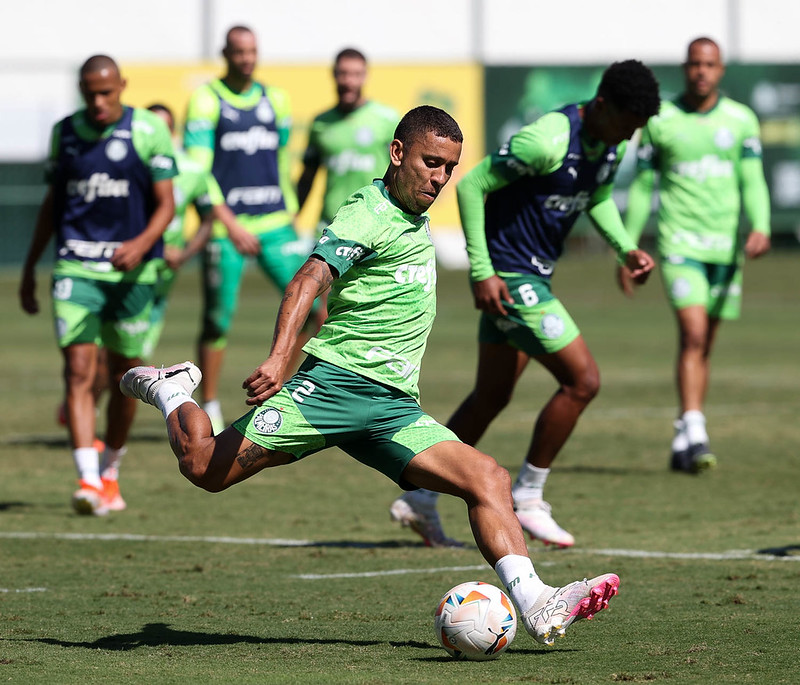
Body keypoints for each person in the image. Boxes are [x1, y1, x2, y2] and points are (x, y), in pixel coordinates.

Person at [121, 105, 621, 647]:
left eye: (450, 168)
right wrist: (278, 357)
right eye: (431, 163)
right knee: (203, 468)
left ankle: (538, 604)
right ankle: (171, 390)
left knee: (489, 480)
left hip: (393, 409)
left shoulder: (413, 216)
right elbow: (308, 279)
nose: (440, 178)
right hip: (331, 389)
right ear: (398, 153)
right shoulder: (368, 212)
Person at [391, 60, 661, 548]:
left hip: (530, 273)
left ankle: (419, 498)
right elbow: (473, 185)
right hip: (512, 276)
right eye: (626, 123)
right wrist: (483, 270)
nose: (630, 134)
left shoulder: (611, 142)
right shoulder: (548, 138)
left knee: (491, 397)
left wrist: (627, 248)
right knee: (583, 381)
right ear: (603, 105)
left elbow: (595, 196)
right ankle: (530, 496)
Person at [19, 55, 177, 515]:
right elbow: (53, 202)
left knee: (127, 377)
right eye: (90, 92)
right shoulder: (65, 133)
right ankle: (87, 480)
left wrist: (142, 242)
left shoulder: (149, 131)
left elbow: (166, 204)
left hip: (133, 273)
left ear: (122, 86)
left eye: (106, 92)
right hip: (76, 268)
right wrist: (30, 266)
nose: (98, 101)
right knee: (78, 370)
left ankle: (110, 471)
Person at [620, 37, 771, 473]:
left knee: (704, 345)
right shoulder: (660, 119)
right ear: (685, 68)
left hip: (725, 249)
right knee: (694, 334)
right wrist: (628, 246)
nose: (701, 71)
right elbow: (645, 186)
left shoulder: (741, 119)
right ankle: (697, 427)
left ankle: (685, 435)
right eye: (694, 64)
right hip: (680, 244)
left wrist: (760, 225)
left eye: (710, 64)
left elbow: (753, 179)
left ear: (721, 69)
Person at [183, 25, 309, 435]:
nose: (246, 59)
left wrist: (289, 212)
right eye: (238, 52)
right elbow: (200, 172)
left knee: (314, 309)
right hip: (227, 228)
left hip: (275, 222)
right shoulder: (207, 99)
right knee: (218, 319)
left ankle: (284, 389)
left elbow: (280, 160)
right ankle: (212, 402)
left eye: (252, 51)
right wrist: (230, 224)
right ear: (225, 53)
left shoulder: (277, 99)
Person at [296, 47, 399, 323]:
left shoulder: (386, 120)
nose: (348, 81)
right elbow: (307, 177)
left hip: (374, 224)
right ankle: (300, 366)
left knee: (365, 306)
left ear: (364, 76)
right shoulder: (321, 124)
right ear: (334, 76)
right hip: (330, 225)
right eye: (343, 73)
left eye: (355, 74)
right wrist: (293, 216)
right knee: (316, 309)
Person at [143, 103, 241, 359]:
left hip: (163, 274)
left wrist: (184, 255)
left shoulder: (192, 171)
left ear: (173, 132)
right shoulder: (127, 168)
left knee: (140, 349)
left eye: (163, 128)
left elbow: (208, 219)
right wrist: (152, 247)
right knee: (111, 349)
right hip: (126, 269)